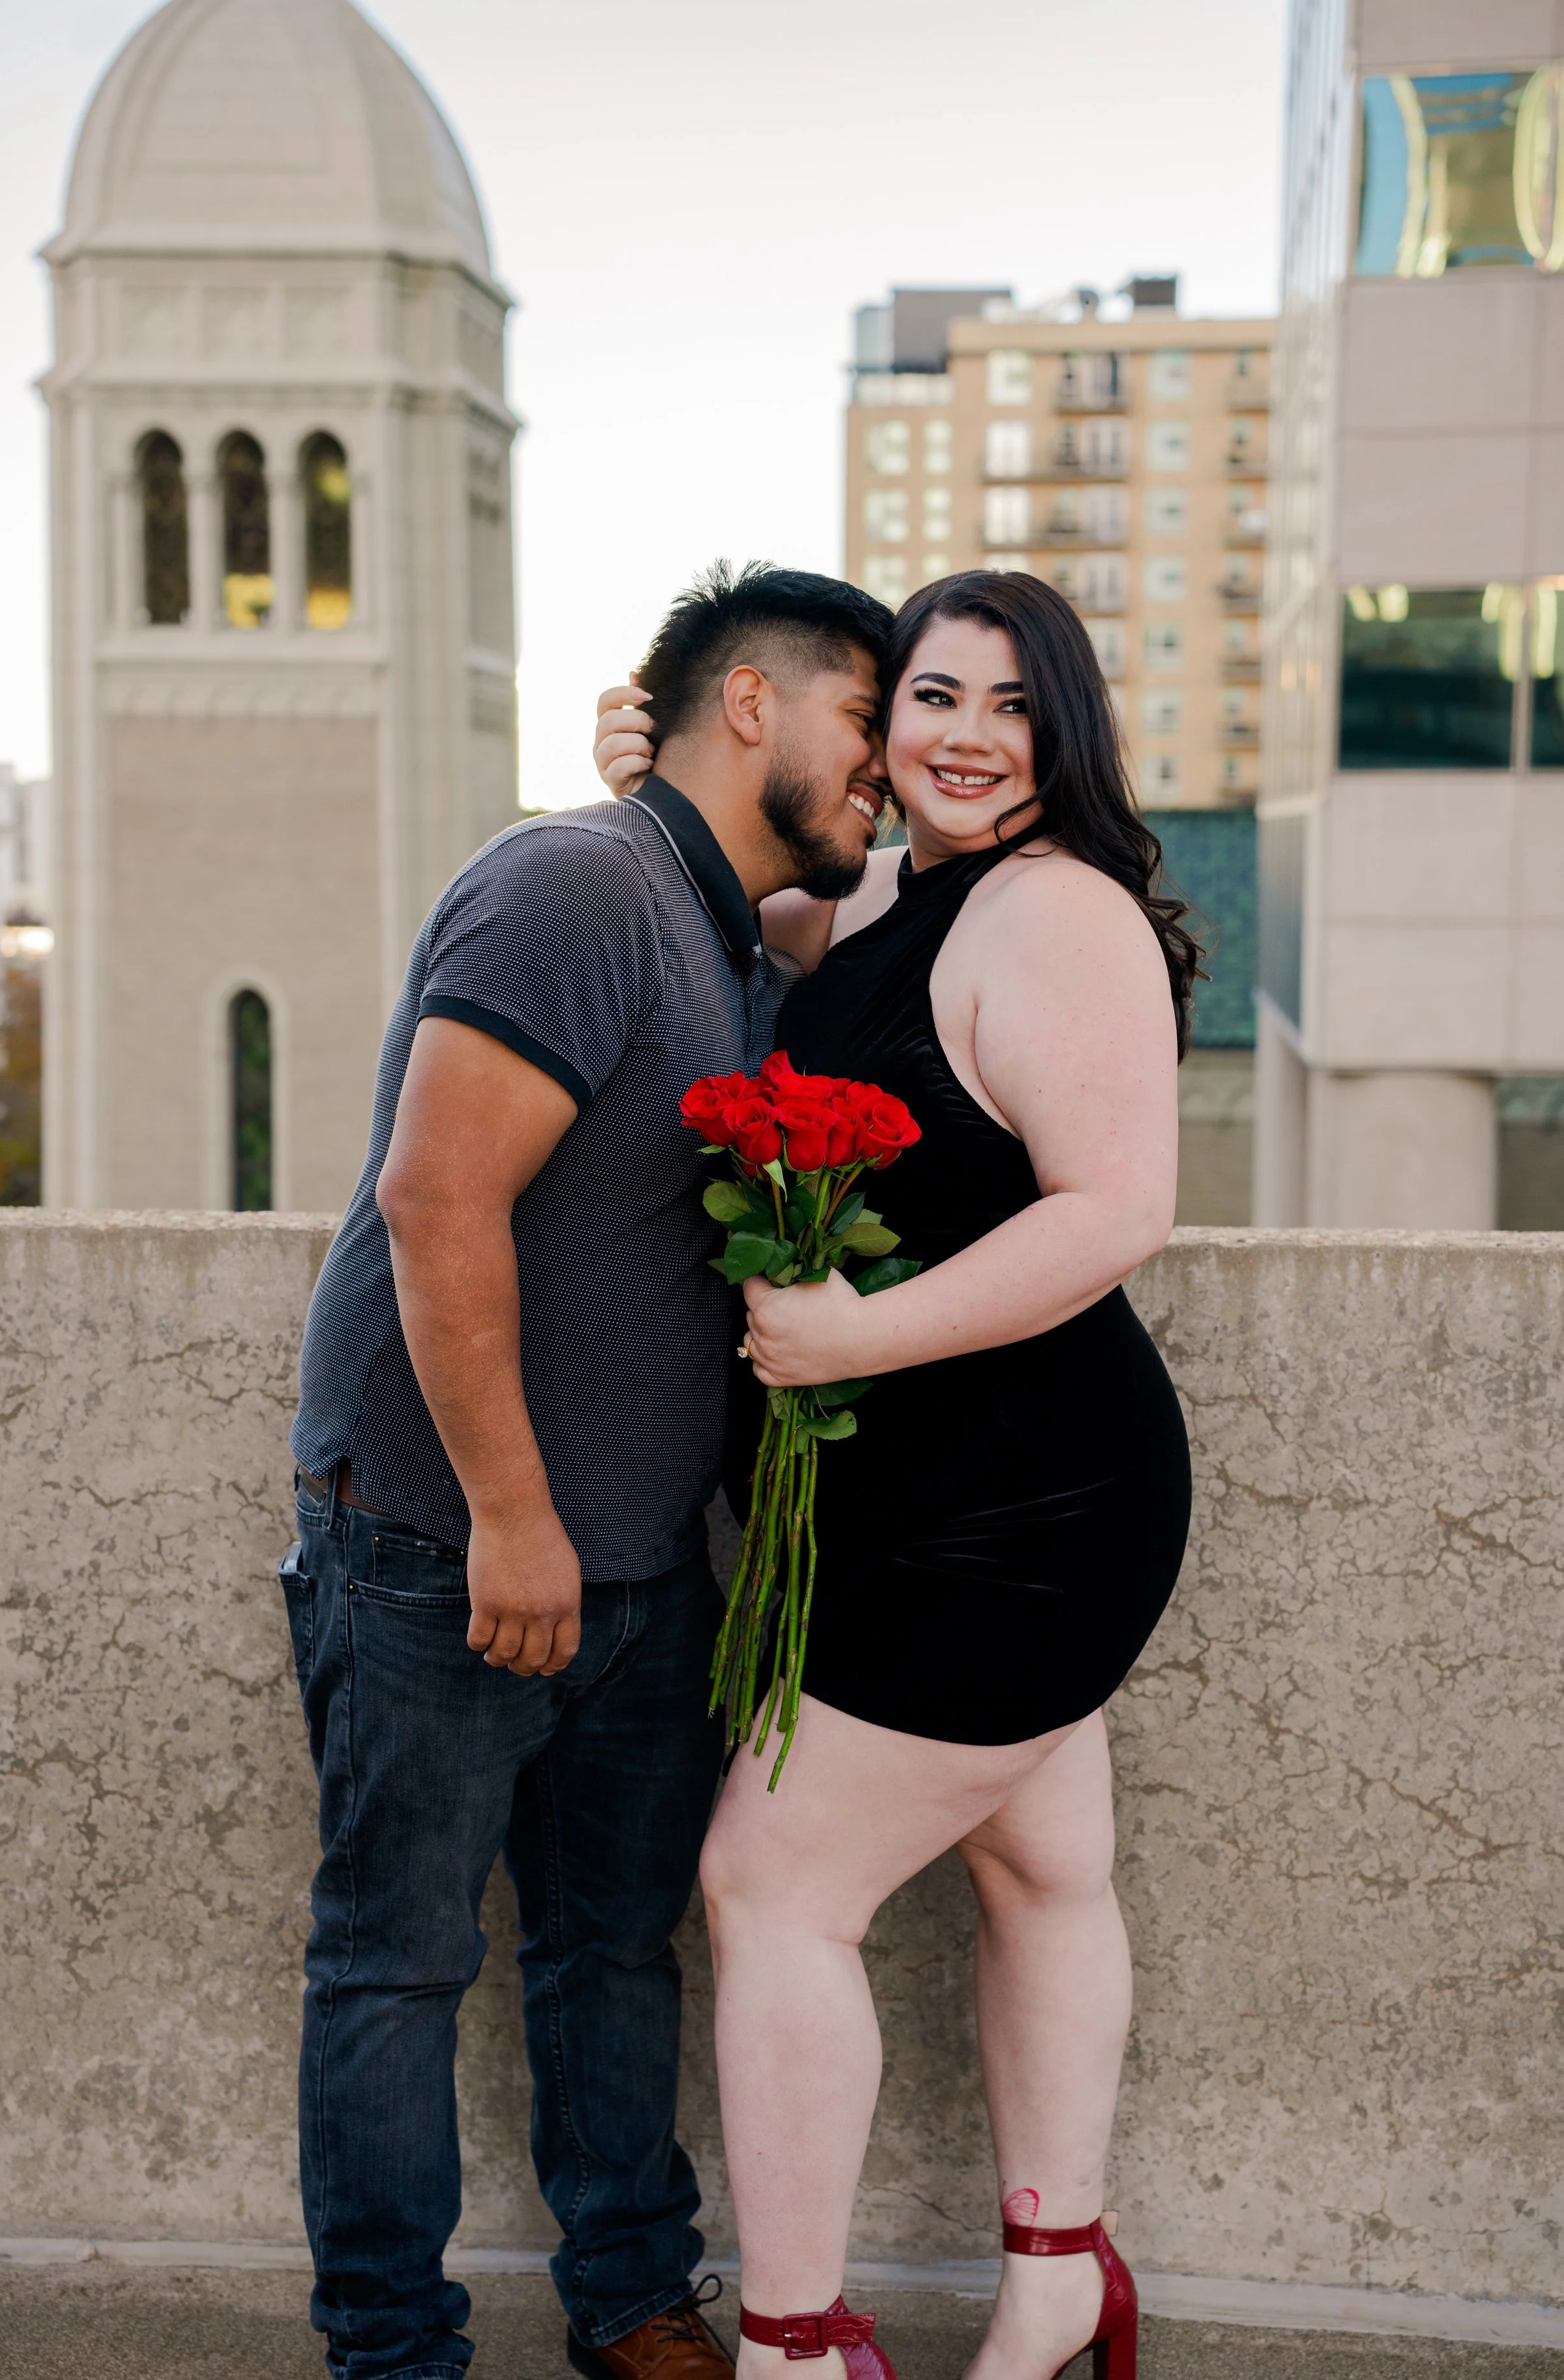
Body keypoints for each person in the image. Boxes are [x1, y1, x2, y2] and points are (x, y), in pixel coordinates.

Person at [281, 561, 893, 2380]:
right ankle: (392, 2350)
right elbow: (434, 1193)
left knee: (615, 1954)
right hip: (444, 1538)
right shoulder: (573, 882)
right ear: (751, 707)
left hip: (634, 1562)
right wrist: (514, 1521)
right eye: (868, 721)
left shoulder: (718, 929)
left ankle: (630, 2298)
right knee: (395, 1965)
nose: (880, 768)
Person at [592, 569, 1197, 2380]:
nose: (962, 736)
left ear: (1062, 733)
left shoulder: (1052, 907)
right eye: (929, 696)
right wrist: (642, 764)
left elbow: (1119, 1208)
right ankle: (1057, 2271)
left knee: (772, 1885)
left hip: (1028, 1502)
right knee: (1043, 1873)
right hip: (921, 1491)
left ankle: (791, 2344)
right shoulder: (894, 909)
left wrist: (850, 1341)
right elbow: (746, 915)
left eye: (1012, 706)